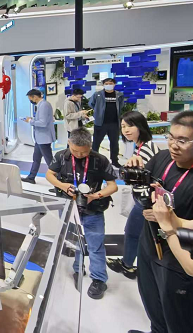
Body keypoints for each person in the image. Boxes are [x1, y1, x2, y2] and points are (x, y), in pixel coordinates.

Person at [125, 111, 193, 333]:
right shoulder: (163, 158)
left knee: (177, 316)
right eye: (171, 137)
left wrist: (170, 222)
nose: (174, 145)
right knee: (152, 304)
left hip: (178, 258)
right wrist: (136, 171)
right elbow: (142, 192)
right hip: (149, 245)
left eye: (182, 141)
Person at [46, 128, 118, 299]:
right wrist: (62, 186)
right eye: (75, 151)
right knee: (75, 242)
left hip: (93, 210)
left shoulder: (100, 160)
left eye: (83, 152)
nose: (79, 155)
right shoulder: (61, 156)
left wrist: (96, 195)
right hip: (68, 209)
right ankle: (78, 269)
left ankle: (99, 279)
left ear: (90, 146)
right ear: (69, 143)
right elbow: (50, 174)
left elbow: (113, 186)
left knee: (95, 245)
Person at [107, 111, 160, 279]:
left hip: (146, 201)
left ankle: (129, 266)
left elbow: (150, 175)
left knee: (133, 233)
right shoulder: (139, 146)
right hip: (142, 198)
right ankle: (128, 263)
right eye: (123, 126)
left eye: (130, 126)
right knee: (134, 232)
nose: (126, 130)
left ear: (140, 126)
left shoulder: (148, 147)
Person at [22, 89, 56, 184]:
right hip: (40, 138)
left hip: (44, 138)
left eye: (30, 99)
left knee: (50, 161)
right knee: (36, 159)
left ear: (35, 97)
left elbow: (43, 123)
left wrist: (30, 121)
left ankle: (59, 182)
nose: (31, 101)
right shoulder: (41, 105)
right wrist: (32, 119)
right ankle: (31, 177)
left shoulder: (44, 105)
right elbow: (41, 119)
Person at [90, 78, 125, 167]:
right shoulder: (97, 94)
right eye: (106, 83)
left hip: (114, 123)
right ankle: (94, 161)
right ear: (103, 84)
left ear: (114, 84)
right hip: (100, 123)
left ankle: (114, 161)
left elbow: (121, 105)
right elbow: (91, 103)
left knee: (114, 143)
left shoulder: (119, 95)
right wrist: (98, 112)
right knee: (96, 143)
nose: (108, 85)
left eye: (110, 83)